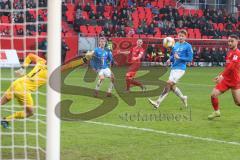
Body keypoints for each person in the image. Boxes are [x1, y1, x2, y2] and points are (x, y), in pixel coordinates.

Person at [148, 29, 193, 109]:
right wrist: (170, 59)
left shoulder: (188, 46)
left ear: (185, 37)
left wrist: (180, 58)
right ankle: (183, 98)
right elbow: (173, 55)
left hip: (180, 69)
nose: (181, 37)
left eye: (182, 36)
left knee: (168, 83)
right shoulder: (175, 45)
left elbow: (190, 58)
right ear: (177, 36)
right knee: (172, 87)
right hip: (173, 68)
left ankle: (157, 102)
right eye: (179, 36)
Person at [0, 53, 47, 128]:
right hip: (23, 90)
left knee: (1, 102)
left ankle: (5, 120)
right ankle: (6, 120)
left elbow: (30, 55)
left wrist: (23, 68)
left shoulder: (41, 61)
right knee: (29, 113)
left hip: (17, 82)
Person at [208, 35, 240, 120]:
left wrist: (222, 76)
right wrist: (220, 76)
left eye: (232, 41)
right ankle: (216, 112)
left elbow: (232, 67)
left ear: (237, 41)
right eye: (228, 41)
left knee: (238, 102)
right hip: (226, 80)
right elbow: (227, 67)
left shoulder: (237, 52)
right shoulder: (229, 52)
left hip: (234, 81)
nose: (229, 43)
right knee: (213, 95)